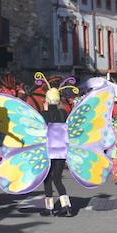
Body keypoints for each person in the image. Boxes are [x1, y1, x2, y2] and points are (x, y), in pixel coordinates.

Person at [42, 87, 73, 216]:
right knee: (57, 179)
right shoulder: (63, 113)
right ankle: (66, 205)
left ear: (47, 101)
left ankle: (49, 207)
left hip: (48, 151)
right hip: (61, 151)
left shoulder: (43, 115)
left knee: (47, 179)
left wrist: (45, 111)